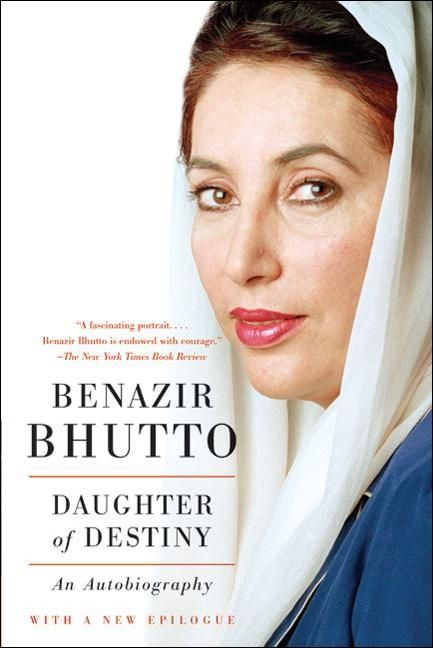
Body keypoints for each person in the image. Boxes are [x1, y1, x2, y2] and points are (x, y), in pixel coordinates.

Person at [166, 1, 432, 646]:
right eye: (216, 194)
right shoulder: (364, 480)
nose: (243, 261)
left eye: (312, 188)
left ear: (418, 199)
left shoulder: (421, 499)